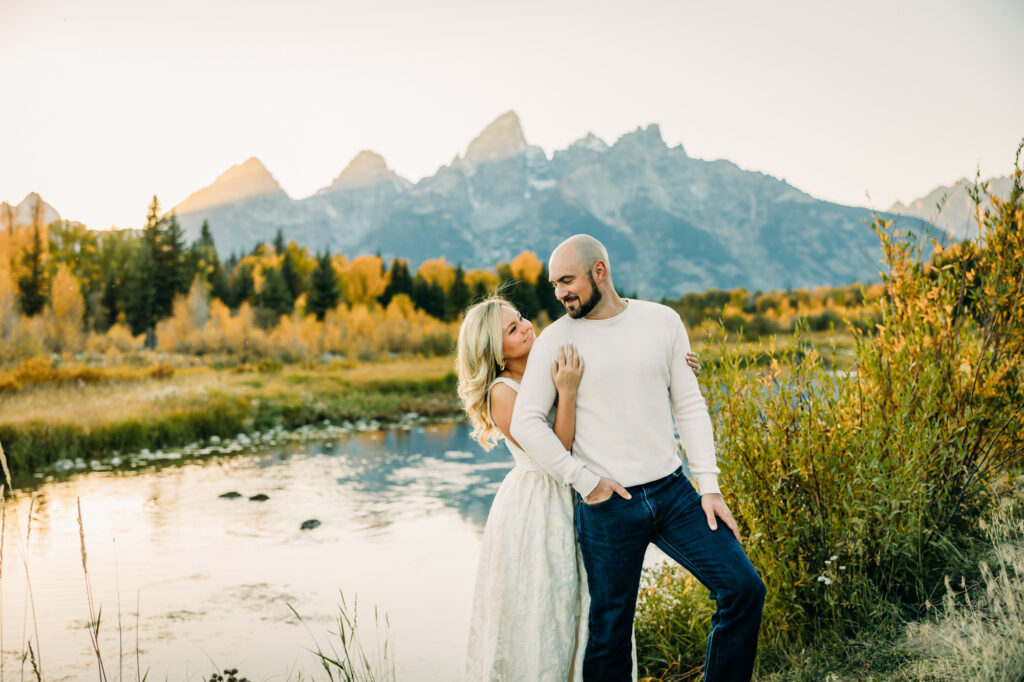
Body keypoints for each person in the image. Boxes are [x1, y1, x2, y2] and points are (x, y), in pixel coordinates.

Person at [510, 235, 765, 682]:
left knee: (743, 589)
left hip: (674, 493)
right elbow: (527, 423)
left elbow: (689, 407)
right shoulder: (555, 339)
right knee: (608, 637)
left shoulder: (662, 321)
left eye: (567, 280)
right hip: (607, 507)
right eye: (554, 285)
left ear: (599, 272)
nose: (560, 293)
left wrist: (709, 487)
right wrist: (585, 481)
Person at [456, 296, 700, 681]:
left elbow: (616, 371)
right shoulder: (502, 393)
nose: (526, 327)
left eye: (521, 318)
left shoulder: (547, 362)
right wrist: (566, 391)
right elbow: (559, 449)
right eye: (512, 329)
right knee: (546, 605)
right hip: (540, 506)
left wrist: (675, 362)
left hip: (581, 495)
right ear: (495, 351)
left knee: (589, 605)